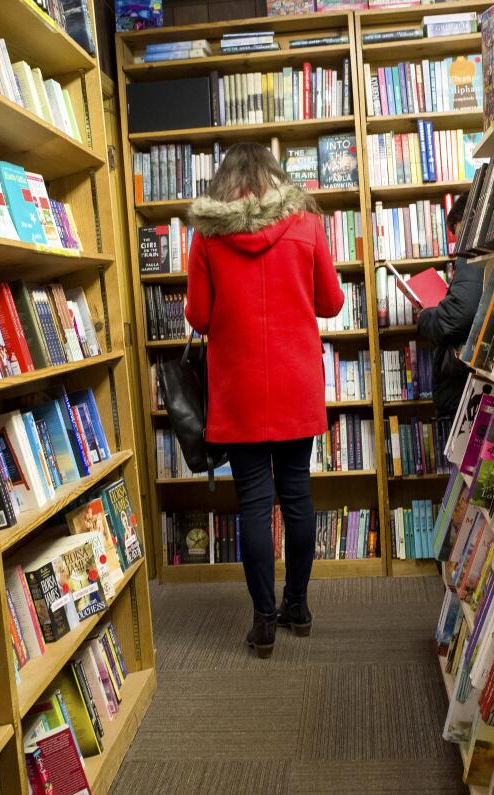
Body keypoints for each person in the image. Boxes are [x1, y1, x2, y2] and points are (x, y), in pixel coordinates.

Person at [184, 142, 345, 659]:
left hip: (239, 390)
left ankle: (263, 620)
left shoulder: (208, 236)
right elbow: (332, 301)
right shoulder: (306, 225)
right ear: (276, 177)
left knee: (254, 502)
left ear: (224, 183)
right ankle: (297, 605)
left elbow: (199, 317)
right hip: (297, 383)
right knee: (297, 495)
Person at [416, 193, 483, 418]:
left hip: (466, 390)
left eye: (459, 233)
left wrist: (425, 316)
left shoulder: (474, 249)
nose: (459, 245)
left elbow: (458, 317)